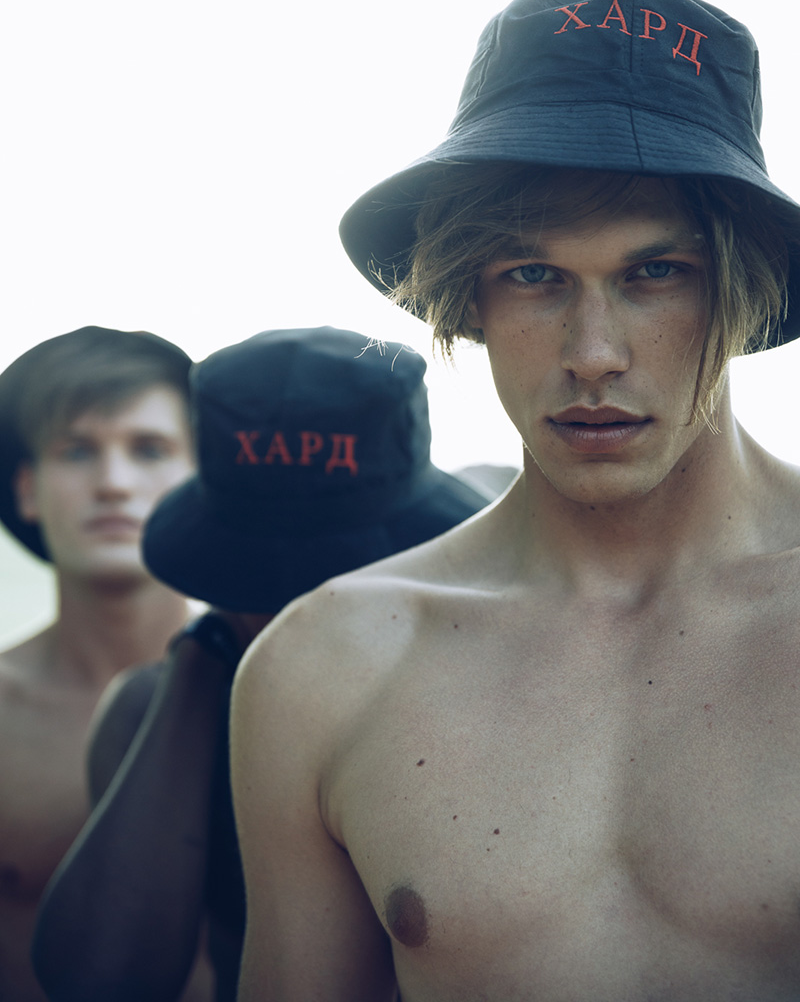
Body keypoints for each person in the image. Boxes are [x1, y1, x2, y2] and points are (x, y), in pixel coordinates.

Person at [231, 0, 800, 1001]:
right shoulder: (329, 666)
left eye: (654, 273)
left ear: (742, 286)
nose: (592, 353)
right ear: (469, 299)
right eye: (534, 276)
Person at [31, 326, 495, 1002]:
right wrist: (203, 659)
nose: (305, 609)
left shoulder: (494, 689)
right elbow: (101, 978)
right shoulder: (162, 708)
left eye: (335, 577)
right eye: (265, 583)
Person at [0, 326, 197, 1002]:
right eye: (78, 451)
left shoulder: (275, 691)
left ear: (202, 479)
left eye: (149, 449)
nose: (114, 483)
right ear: (27, 489)